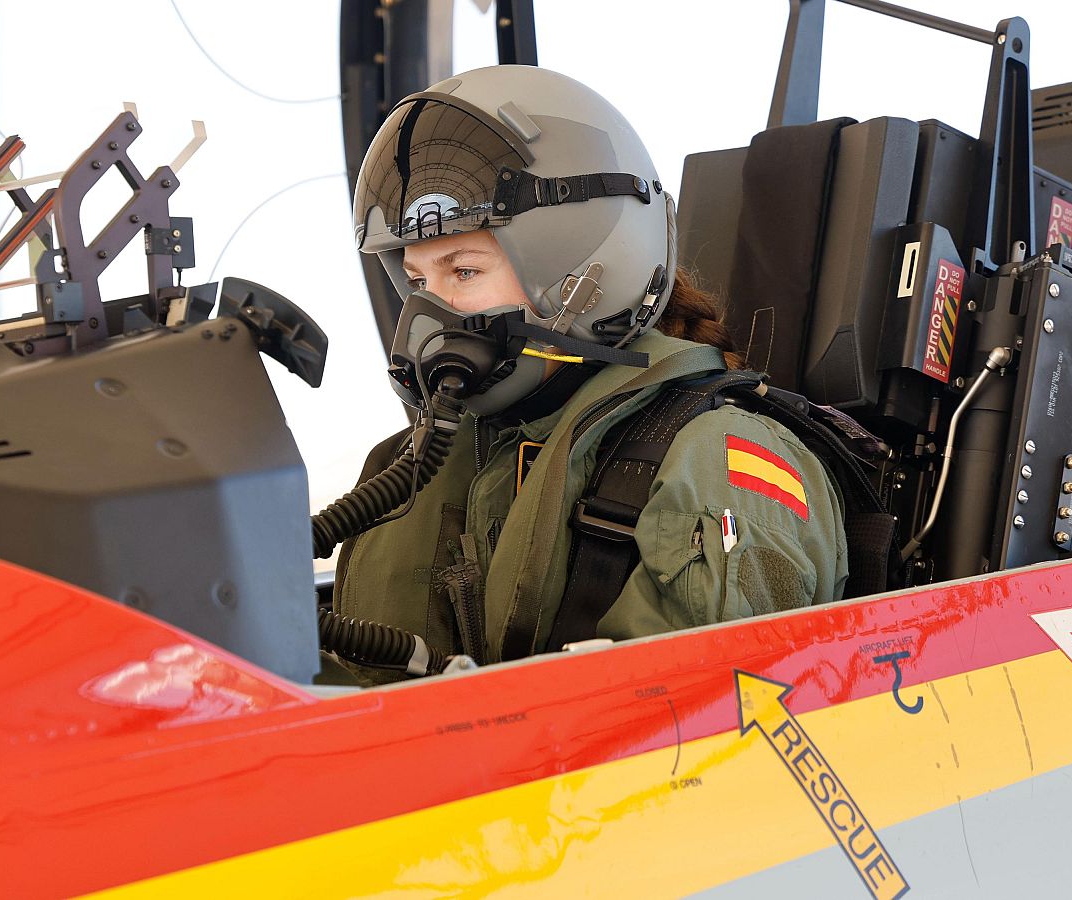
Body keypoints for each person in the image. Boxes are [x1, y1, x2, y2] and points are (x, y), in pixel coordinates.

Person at [332, 65, 847, 683]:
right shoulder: (415, 465)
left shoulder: (718, 465)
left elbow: (698, 738)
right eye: (417, 280)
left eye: (464, 272)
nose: (428, 313)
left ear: (585, 271)